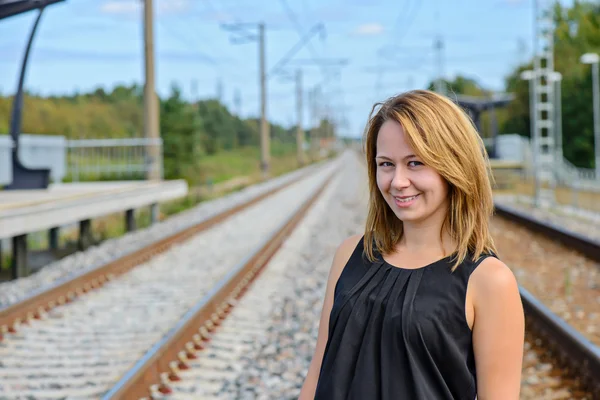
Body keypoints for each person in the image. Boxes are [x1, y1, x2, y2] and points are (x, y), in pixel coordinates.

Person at [299, 90, 524, 400]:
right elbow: (317, 375)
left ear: (454, 166)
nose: (398, 181)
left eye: (415, 163)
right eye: (386, 164)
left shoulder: (488, 281)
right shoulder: (350, 255)